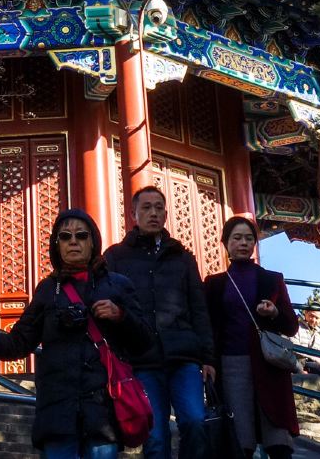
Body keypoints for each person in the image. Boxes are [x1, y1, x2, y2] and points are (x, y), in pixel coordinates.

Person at [0, 209, 154, 459]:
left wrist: (121, 316)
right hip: (58, 412)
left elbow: (144, 342)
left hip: (102, 411)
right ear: (57, 245)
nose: (73, 241)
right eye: (65, 237)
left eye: (81, 235)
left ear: (93, 241)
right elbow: (19, 342)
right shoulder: (47, 290)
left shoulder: (117, 284)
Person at [104, 186, 216, 459]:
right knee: (154, 436)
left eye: (158, 208)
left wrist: (208, 358)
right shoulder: (115, 257)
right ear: (133, 214)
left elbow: (199, 309)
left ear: (166, 214)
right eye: (146, 208)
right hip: (141, 359)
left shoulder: (182, 257)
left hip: (184, 357)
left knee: (194, 421)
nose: (153, 213)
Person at [203, 215, 300, 459]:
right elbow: (208, 326)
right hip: (231, 362)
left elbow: (291, 326)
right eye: (237, 238)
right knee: (239, 436)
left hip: (269, 363)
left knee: (277, 435)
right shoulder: (214, 284)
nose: (243, 243)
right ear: (225, 243)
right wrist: (207, 361)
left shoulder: (272, 279)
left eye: (249, 238)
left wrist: (275, 312)